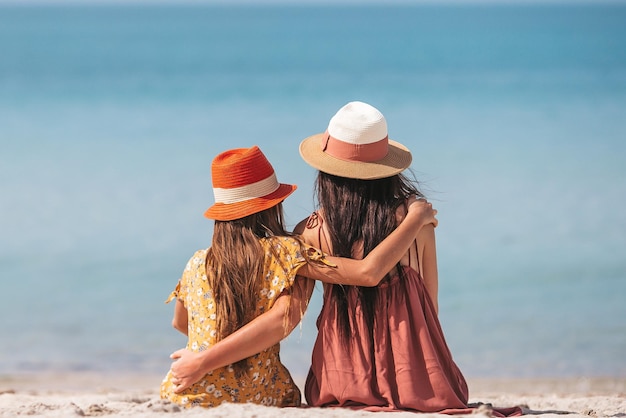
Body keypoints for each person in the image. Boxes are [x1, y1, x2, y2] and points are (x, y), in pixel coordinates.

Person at [167, 102, 521, 416]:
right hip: (417, 375)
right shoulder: (416, 224)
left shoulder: (308, 232)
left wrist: (204, 352)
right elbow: (429, 306)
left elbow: (200, 323)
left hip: (340, 379)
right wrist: (414, 219)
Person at [159, 145, 437, 408]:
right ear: (271, 206)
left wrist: (201, 358)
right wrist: (415, 218)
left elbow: (181, 323)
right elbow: (367, 272)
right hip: (257, 392)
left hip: (184, 390)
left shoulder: (197, 261)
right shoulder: (286, 253)